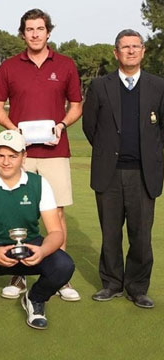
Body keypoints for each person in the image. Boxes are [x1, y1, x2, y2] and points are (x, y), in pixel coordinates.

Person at [0, 8, 82, 301]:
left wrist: (62, 124)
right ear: (23, 34)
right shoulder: (8, 66)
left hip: (56, 151)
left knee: (56, 213)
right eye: (29, 29)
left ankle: (61, 277)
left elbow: (76, 106)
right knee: (19, 211)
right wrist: (13, 130)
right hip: (21, 154)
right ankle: (19, 276)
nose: (34, 34)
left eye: (40, 29)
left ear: (48, 32)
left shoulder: (66, 65)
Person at [0, 130, 75, 330]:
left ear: (24, 156)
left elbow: (56, 232)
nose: (6, 162)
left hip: (30, 249)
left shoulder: (39, 183)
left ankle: (35, 299)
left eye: (13, 156)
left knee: (64, 265)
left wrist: (42, 251)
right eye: (0, 155)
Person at [83, 29, 164, 309]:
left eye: (135, 46)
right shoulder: (99, 86)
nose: (131, 51)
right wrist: (109, 152)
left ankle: (138, 287)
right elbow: (90, 127)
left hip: (144, 174)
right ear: (116, 53)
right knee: (111, 233)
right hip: (110, 172)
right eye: (125, 47)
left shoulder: (158, 86)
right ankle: (112, 283)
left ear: (142, 51)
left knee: (141, 236)